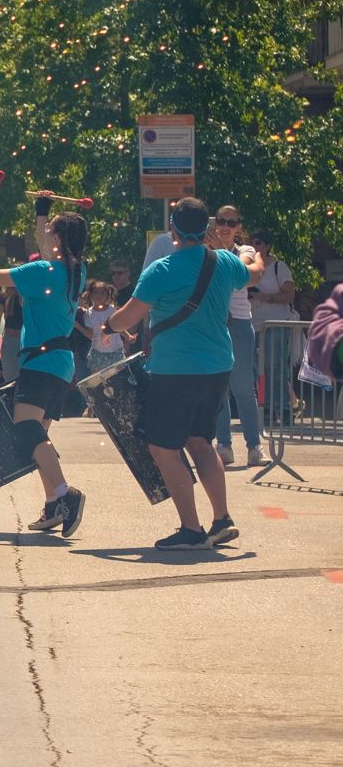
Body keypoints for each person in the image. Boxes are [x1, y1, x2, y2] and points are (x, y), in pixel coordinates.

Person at [107, 196, 266, 549]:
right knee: (200, 443)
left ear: (172, 230)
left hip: (176, 369)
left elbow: (128, 318)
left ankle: (191, 530)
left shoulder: (162, 270)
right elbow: (255, 272)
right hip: (217, 367)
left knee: (163, 447)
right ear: (207, 228)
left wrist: (108, 323)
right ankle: (222, 519)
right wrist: (252, 254)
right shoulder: (223, 261)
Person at [0, 193, 90, 537]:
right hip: (60, 361)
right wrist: (42, 213)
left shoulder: (43, 270)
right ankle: (54, 503)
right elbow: (45, 251)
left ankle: (64, 493)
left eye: (50, 232)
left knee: (26, 430)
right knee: (37, 438)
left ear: (58, 238)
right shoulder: (74, 270)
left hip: (40, 362)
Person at [209, 205, 264, 469]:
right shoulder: (206, 251)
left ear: (239, 226)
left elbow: (240, 276)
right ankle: (224, 445)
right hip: (214, 323)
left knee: (243, 387)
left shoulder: (246, 251)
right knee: (218, 388)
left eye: (231, 222)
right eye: (221, 221)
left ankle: (254, 446)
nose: (225, 227)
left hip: (240, 323)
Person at [248, 230, 300, 424]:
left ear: (268, 245)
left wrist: (265, 297)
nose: (255, 247)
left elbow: (290, 295)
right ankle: (266, 408)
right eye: (252, 243)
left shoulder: (279, 267)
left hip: (275, 323)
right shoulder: (247, 267)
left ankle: (284, 408)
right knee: (256, 369)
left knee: (275, 367)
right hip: (252, 324)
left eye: (259, 243)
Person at [82, 282, 126, 375]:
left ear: (107, 296)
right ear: (91, 295)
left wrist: (129, 336)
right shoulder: (88, 314)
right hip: (98, 352)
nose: (98, 295)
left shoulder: (112, 310)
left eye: (102, 293)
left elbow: (119, 326)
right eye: (96, 292)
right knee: (99, 381)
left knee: (119, 377)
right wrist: (77, 325)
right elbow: (90, 335)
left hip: (115, 350)